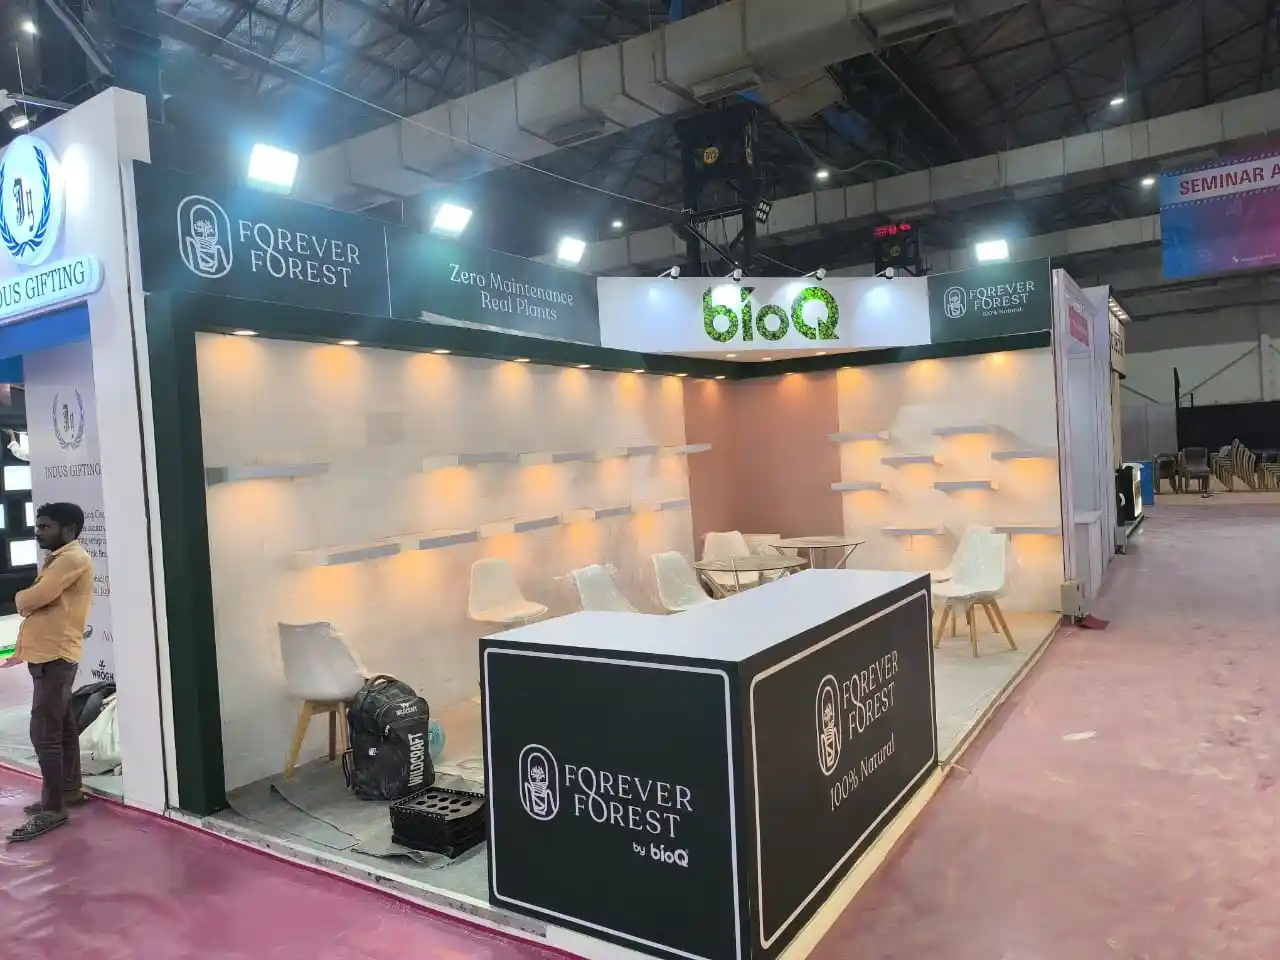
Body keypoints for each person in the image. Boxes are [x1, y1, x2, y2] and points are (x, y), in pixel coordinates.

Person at [4, 502, 94, 842]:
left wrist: (20, 598)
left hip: (55, 657)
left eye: (45, 527)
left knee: (44, 732)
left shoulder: (70, 559)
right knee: (62, 727)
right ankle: (69, 790)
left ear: (68, 530)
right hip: (50, 655)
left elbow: (33, 599)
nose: (38, 532)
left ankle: (53, 808)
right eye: (38, 526)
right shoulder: (61, 558)